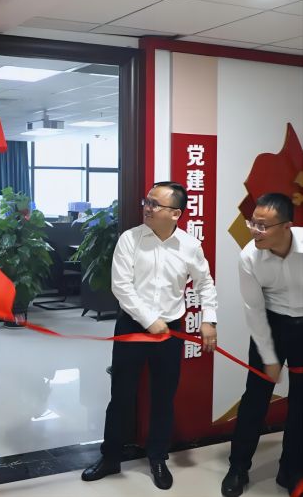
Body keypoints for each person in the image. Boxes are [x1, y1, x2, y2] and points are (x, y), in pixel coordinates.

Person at [81, 181, 218, 490]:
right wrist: (149, 319)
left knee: (163, 397)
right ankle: (110, 457)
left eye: (156, 204)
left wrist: (209, 319)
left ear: (176, 213)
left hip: (170, 331)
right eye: (147, 201)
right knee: (121, 394)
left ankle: (157, 457)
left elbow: (205, 283)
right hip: (131, 327)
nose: (147, 207)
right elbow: (121, 286)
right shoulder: (130, 239)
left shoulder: (189, 246)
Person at [221, 193, 302, 497]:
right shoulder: (249, 257)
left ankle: (291, 470)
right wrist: (269, 357)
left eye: (263, 226)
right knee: (255, 398)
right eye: (252, 223)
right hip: (270, 324)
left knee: (301, 403)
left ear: (287, 226)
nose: (254, 230)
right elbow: (254, 310)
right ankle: (238, 468)